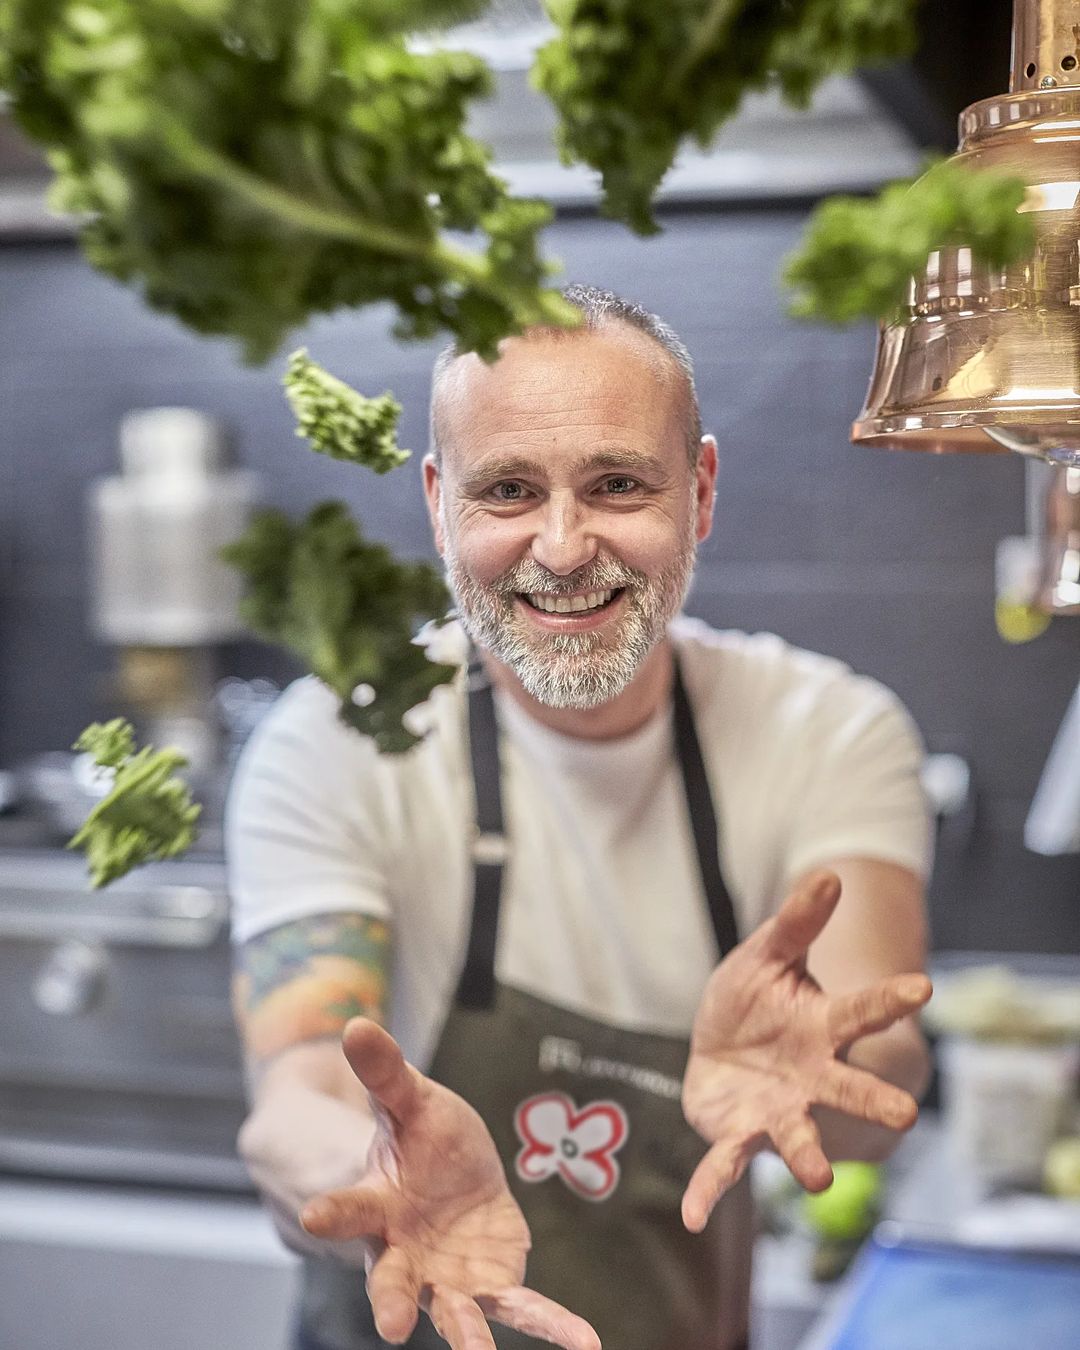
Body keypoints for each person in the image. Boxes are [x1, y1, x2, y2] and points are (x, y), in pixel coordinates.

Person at [226, 284, 933, 1350]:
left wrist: (825, 1082)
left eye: (615, 484)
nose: (561, 548)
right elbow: (299, 1092)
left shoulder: (828, 732)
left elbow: (876, 1070)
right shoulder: (337, 739)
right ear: (437, 506)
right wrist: (360, 1170)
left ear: (698, 492)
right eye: (507, 490)